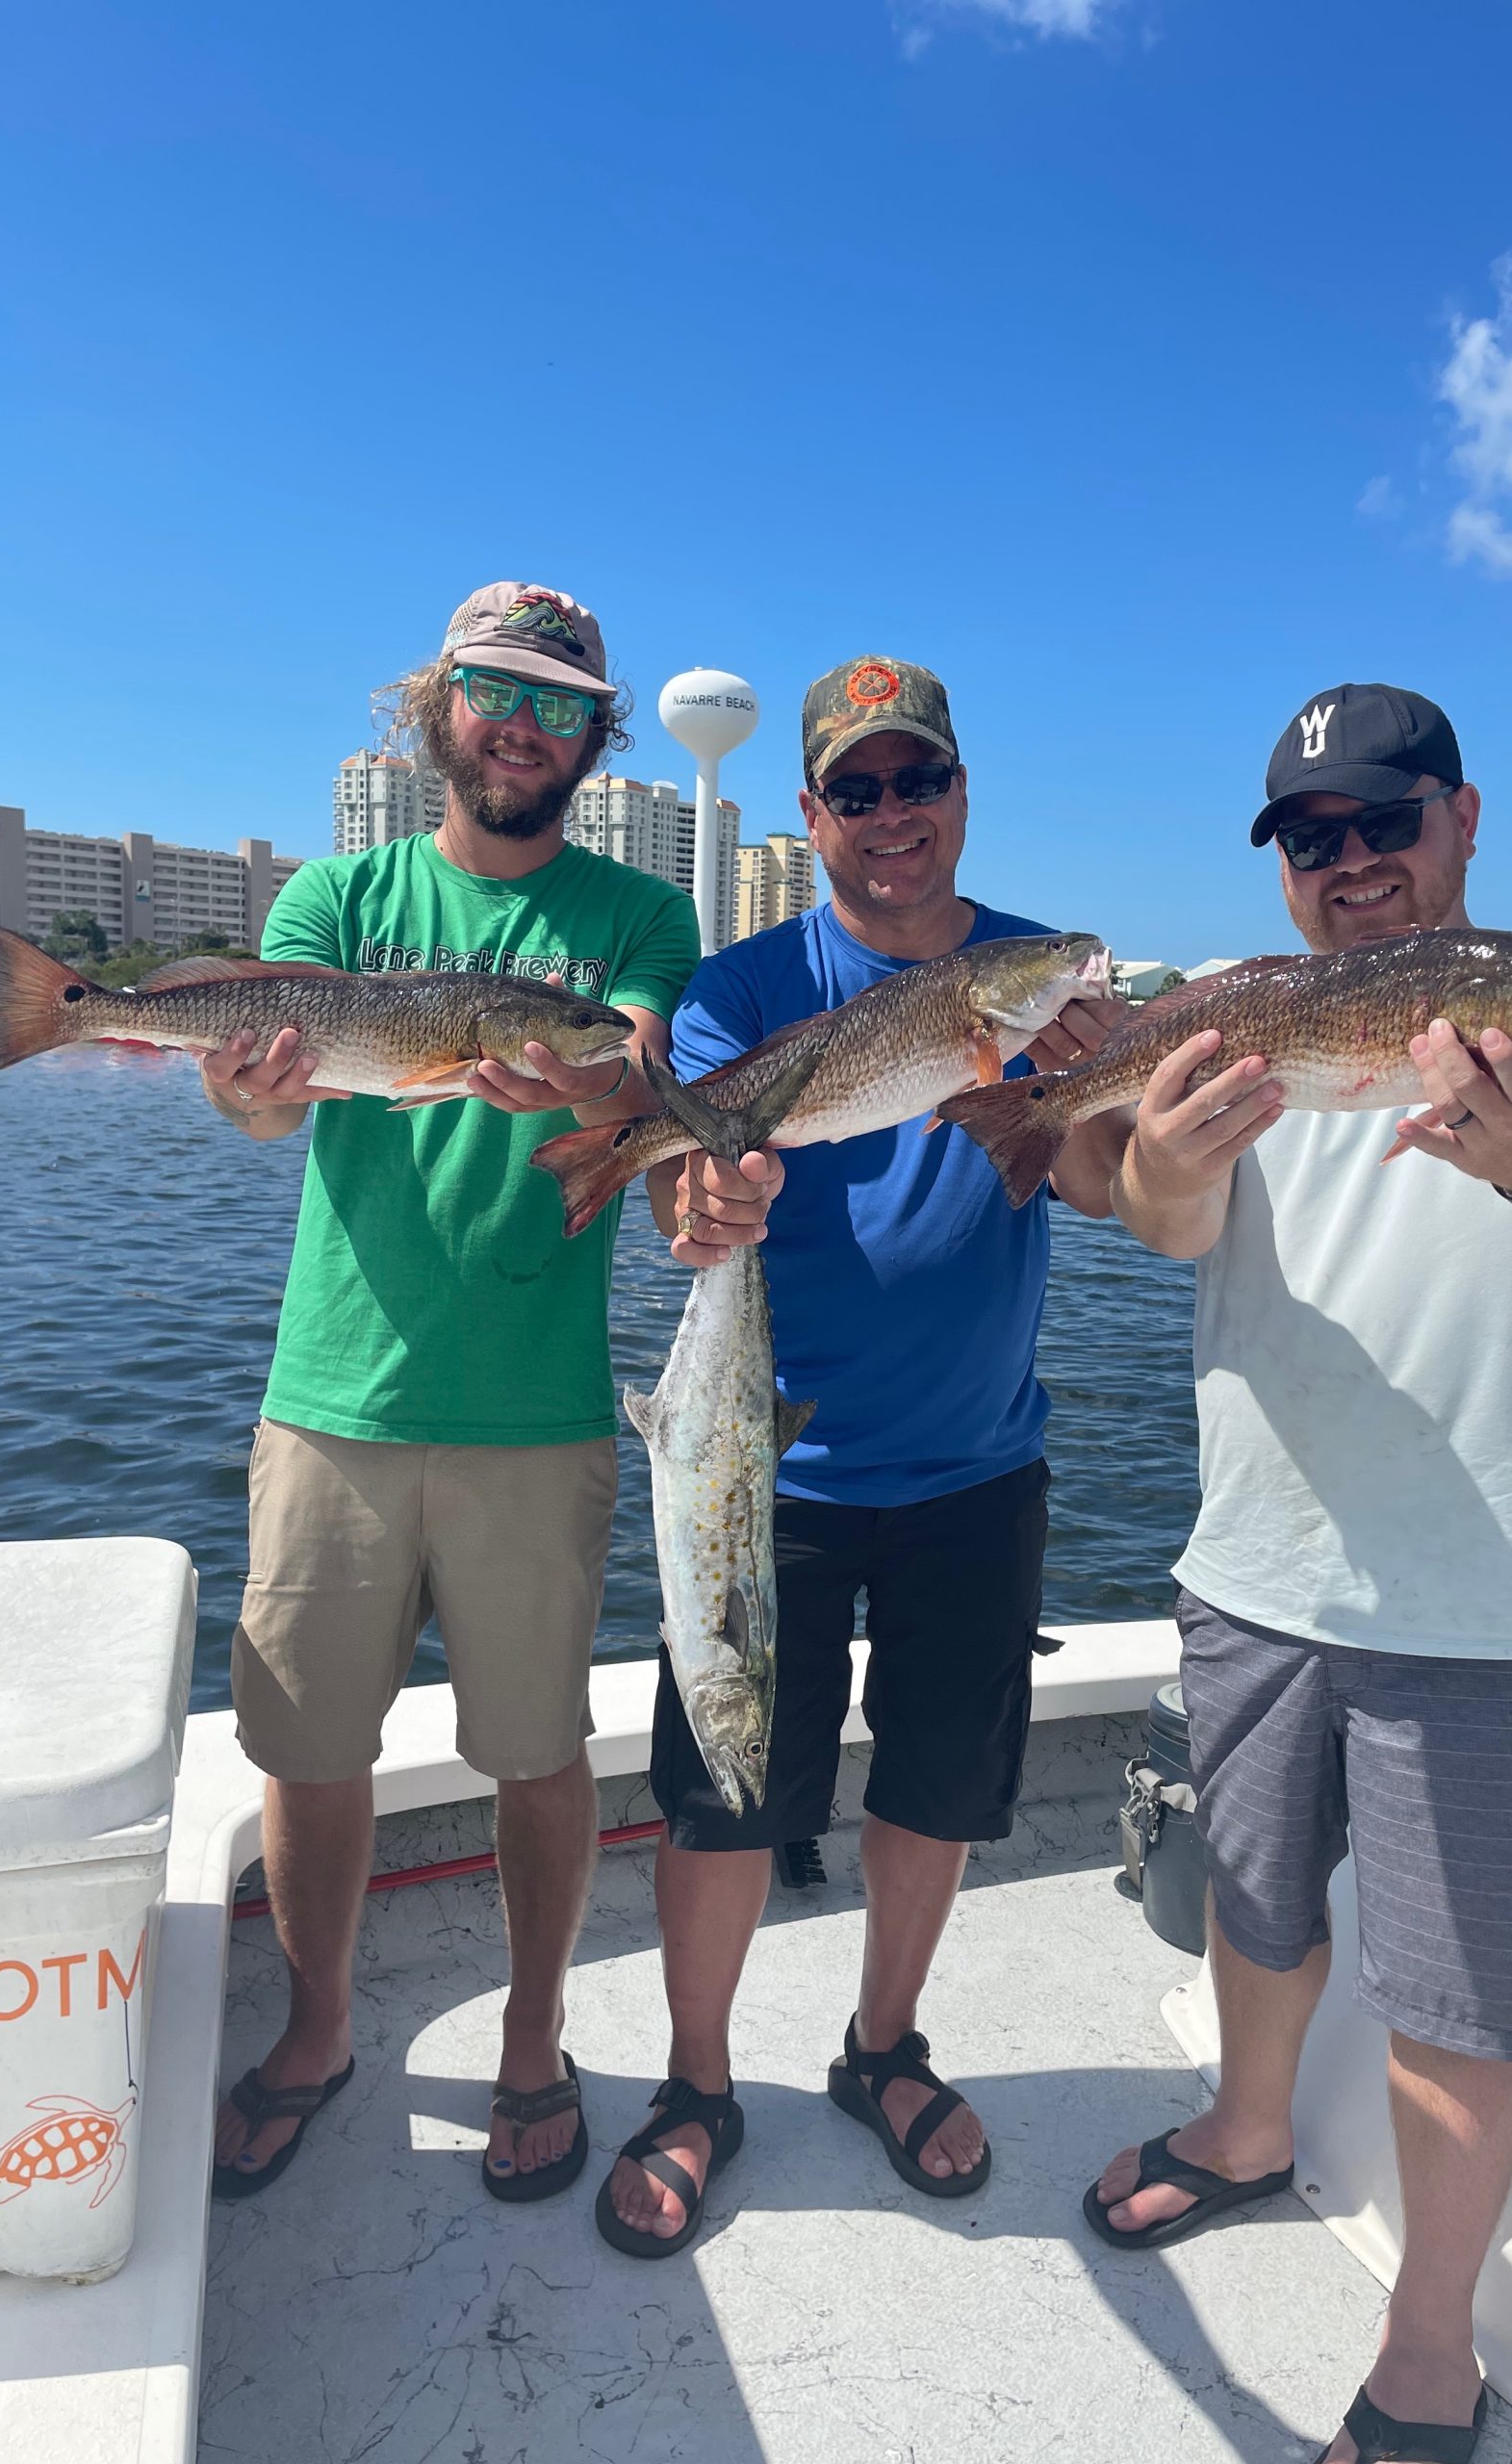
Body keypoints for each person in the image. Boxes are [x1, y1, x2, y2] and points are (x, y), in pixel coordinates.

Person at [1069, 685, 1512, 2464]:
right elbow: (1139, 1200)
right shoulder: (1224, 1024)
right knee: (1257, 1903)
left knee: (1464, 1994)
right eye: (1311, 842)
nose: (1352, 866)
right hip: (1252, 1561)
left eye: (1383, 824)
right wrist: (1163, 1171)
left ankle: (1432, 2351)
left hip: (1482, 1600)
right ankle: (1248, 2131)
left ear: (1463, 817)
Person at [596, 654, 1122, 2256]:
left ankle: (882, 2049)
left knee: (940, 1791)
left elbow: (1101, 1188)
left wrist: (1090, 1084)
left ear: (960, 794)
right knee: (721, 1794)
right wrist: (706, 1205)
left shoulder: (1040, 976)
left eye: (922, 782)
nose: (895, 816)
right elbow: (679, 1204)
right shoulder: (745, 989)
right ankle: (698, 2086)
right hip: (771, 1473)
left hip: (979, 1458)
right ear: (812, 811)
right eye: (861, 790)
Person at [208, 583, 701, 2204]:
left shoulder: (638, 913)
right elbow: (276, 1117)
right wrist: (252, 1091)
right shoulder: (334, 897)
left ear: (597, 740)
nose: (523, 726)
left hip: (537, 1411)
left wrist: (574, 1070)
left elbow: (634, 1072)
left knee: (539, 1749)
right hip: (327, 1398)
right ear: (438, 709)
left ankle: (535, 2038)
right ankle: (318, 2027)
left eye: (562, 706)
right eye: (495, 693)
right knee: (309, 1751)